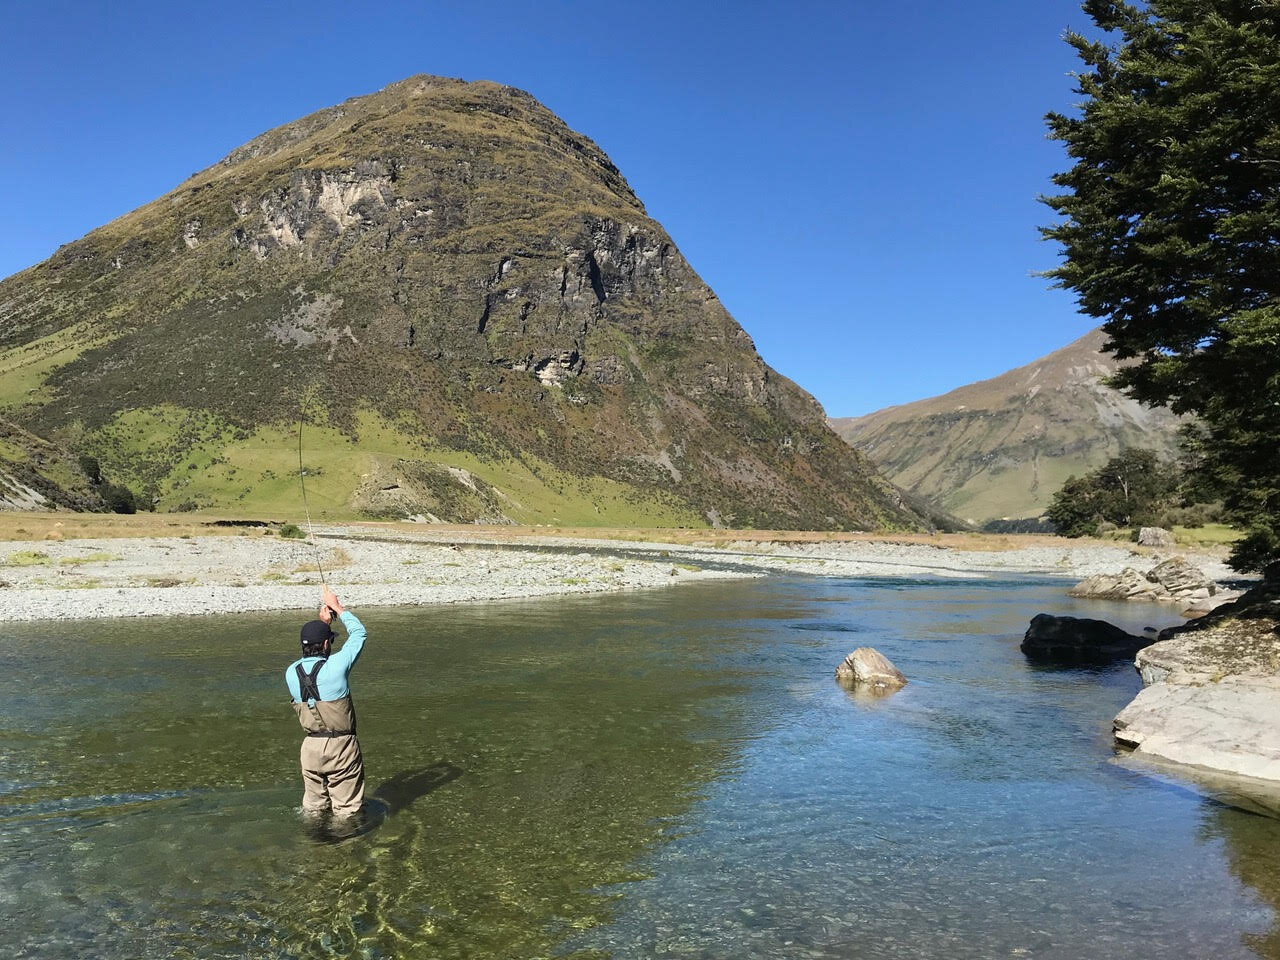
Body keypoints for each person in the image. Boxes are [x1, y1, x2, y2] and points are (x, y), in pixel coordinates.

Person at [285, 587, 367, 819]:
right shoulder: (337, 666)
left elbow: (315, 663)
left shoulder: (291, 672)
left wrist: (324, 627)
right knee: (347, 812)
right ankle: (344, 850)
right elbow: (359, 634)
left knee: (313, 811)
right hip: (341, 748)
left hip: (310, 749)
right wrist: (337, 607)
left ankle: (314, 847)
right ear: (325, 645)